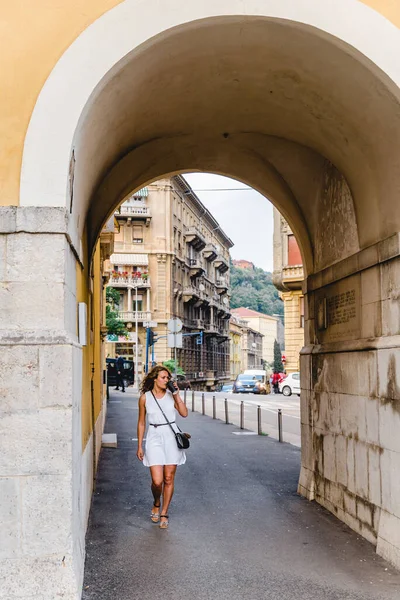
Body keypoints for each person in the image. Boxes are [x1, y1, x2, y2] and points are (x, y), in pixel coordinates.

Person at [136, 365, 188, 529]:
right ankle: (157, 502)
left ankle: (164, 512)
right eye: (163, 377)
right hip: (154, 437)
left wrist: (176, 395)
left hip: (171, 436)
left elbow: (184, 413)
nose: (167, 380)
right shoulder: (145, 398)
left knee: (168, 478)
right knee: (157, 481)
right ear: (154, 379)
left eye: (168, 378)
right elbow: (141, 422)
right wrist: (139, 445)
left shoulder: (171, 396)